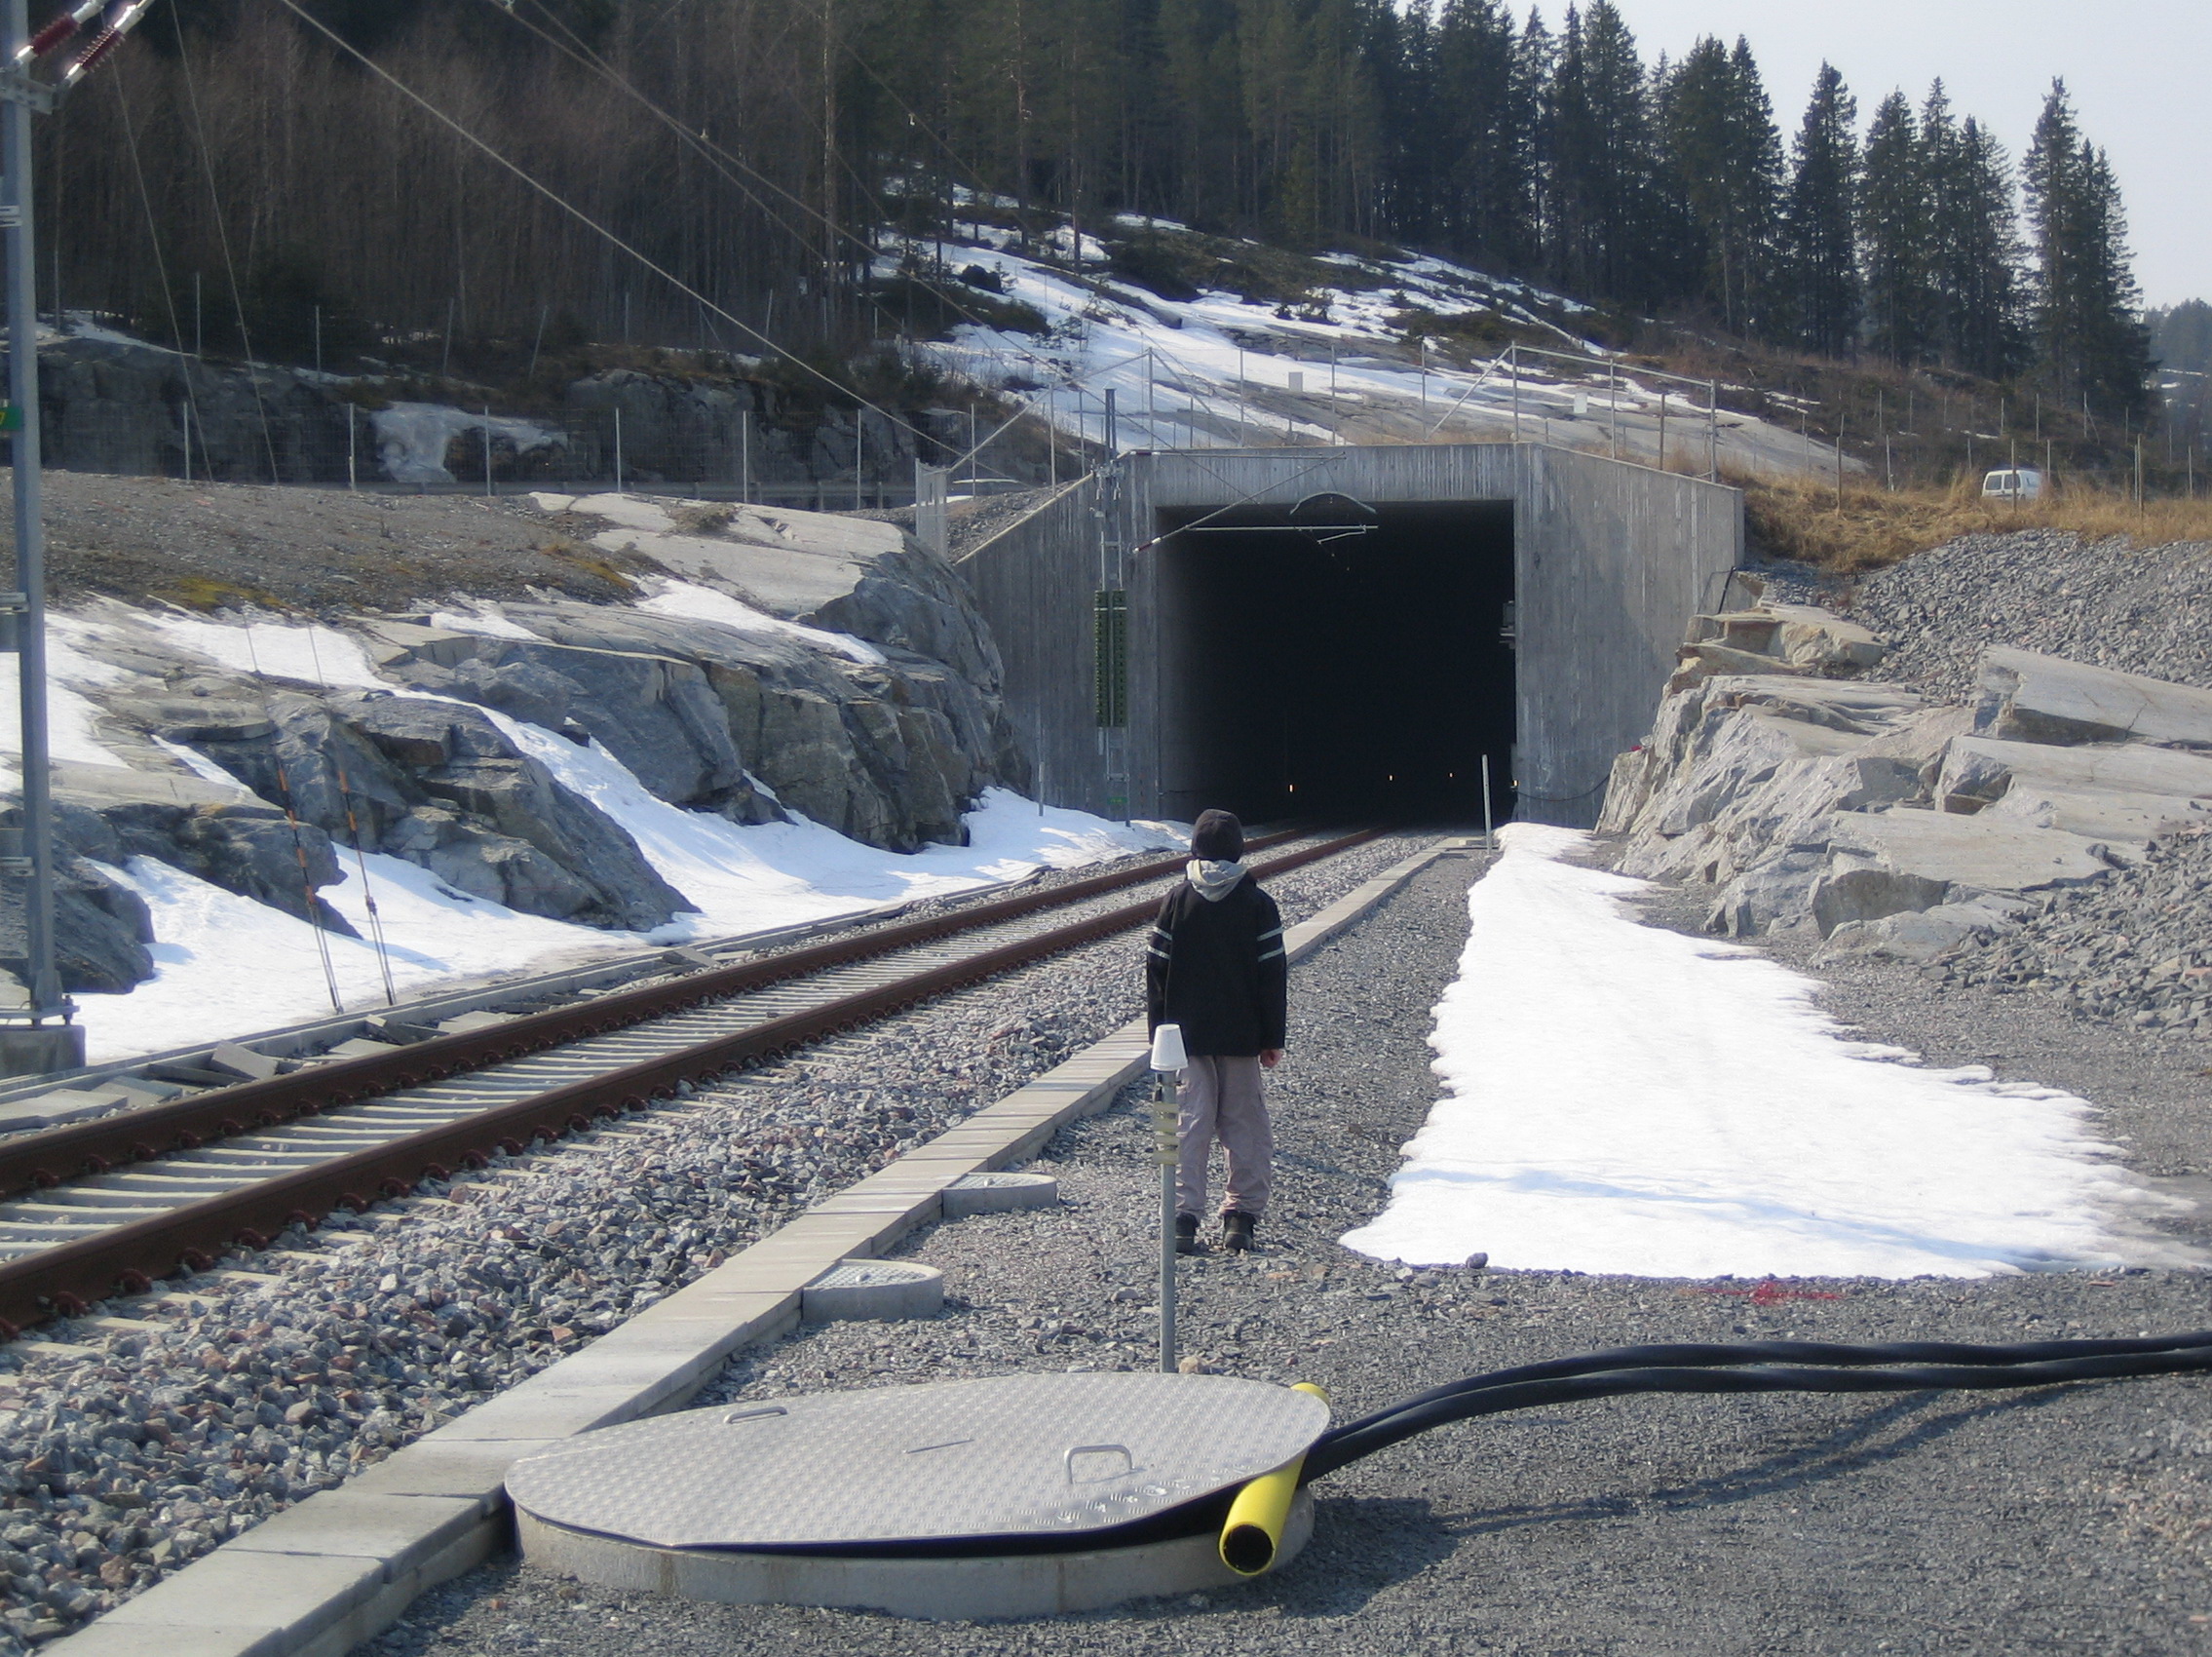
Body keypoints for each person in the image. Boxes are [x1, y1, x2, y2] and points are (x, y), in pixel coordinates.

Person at [1145, 808, 1286, 1254]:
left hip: (1184, 1039)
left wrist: (1159, 1036)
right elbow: (1273, 975)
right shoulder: (1258, 904)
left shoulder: (1177, 900)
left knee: (1188, 1122)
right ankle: (1240, 1220)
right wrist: (1272, 1037)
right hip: (1242, 1036)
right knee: (1244, 1124)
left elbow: (1156, 971)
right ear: (1241, 851)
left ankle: (1182, 1220)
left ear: (1195, 851)